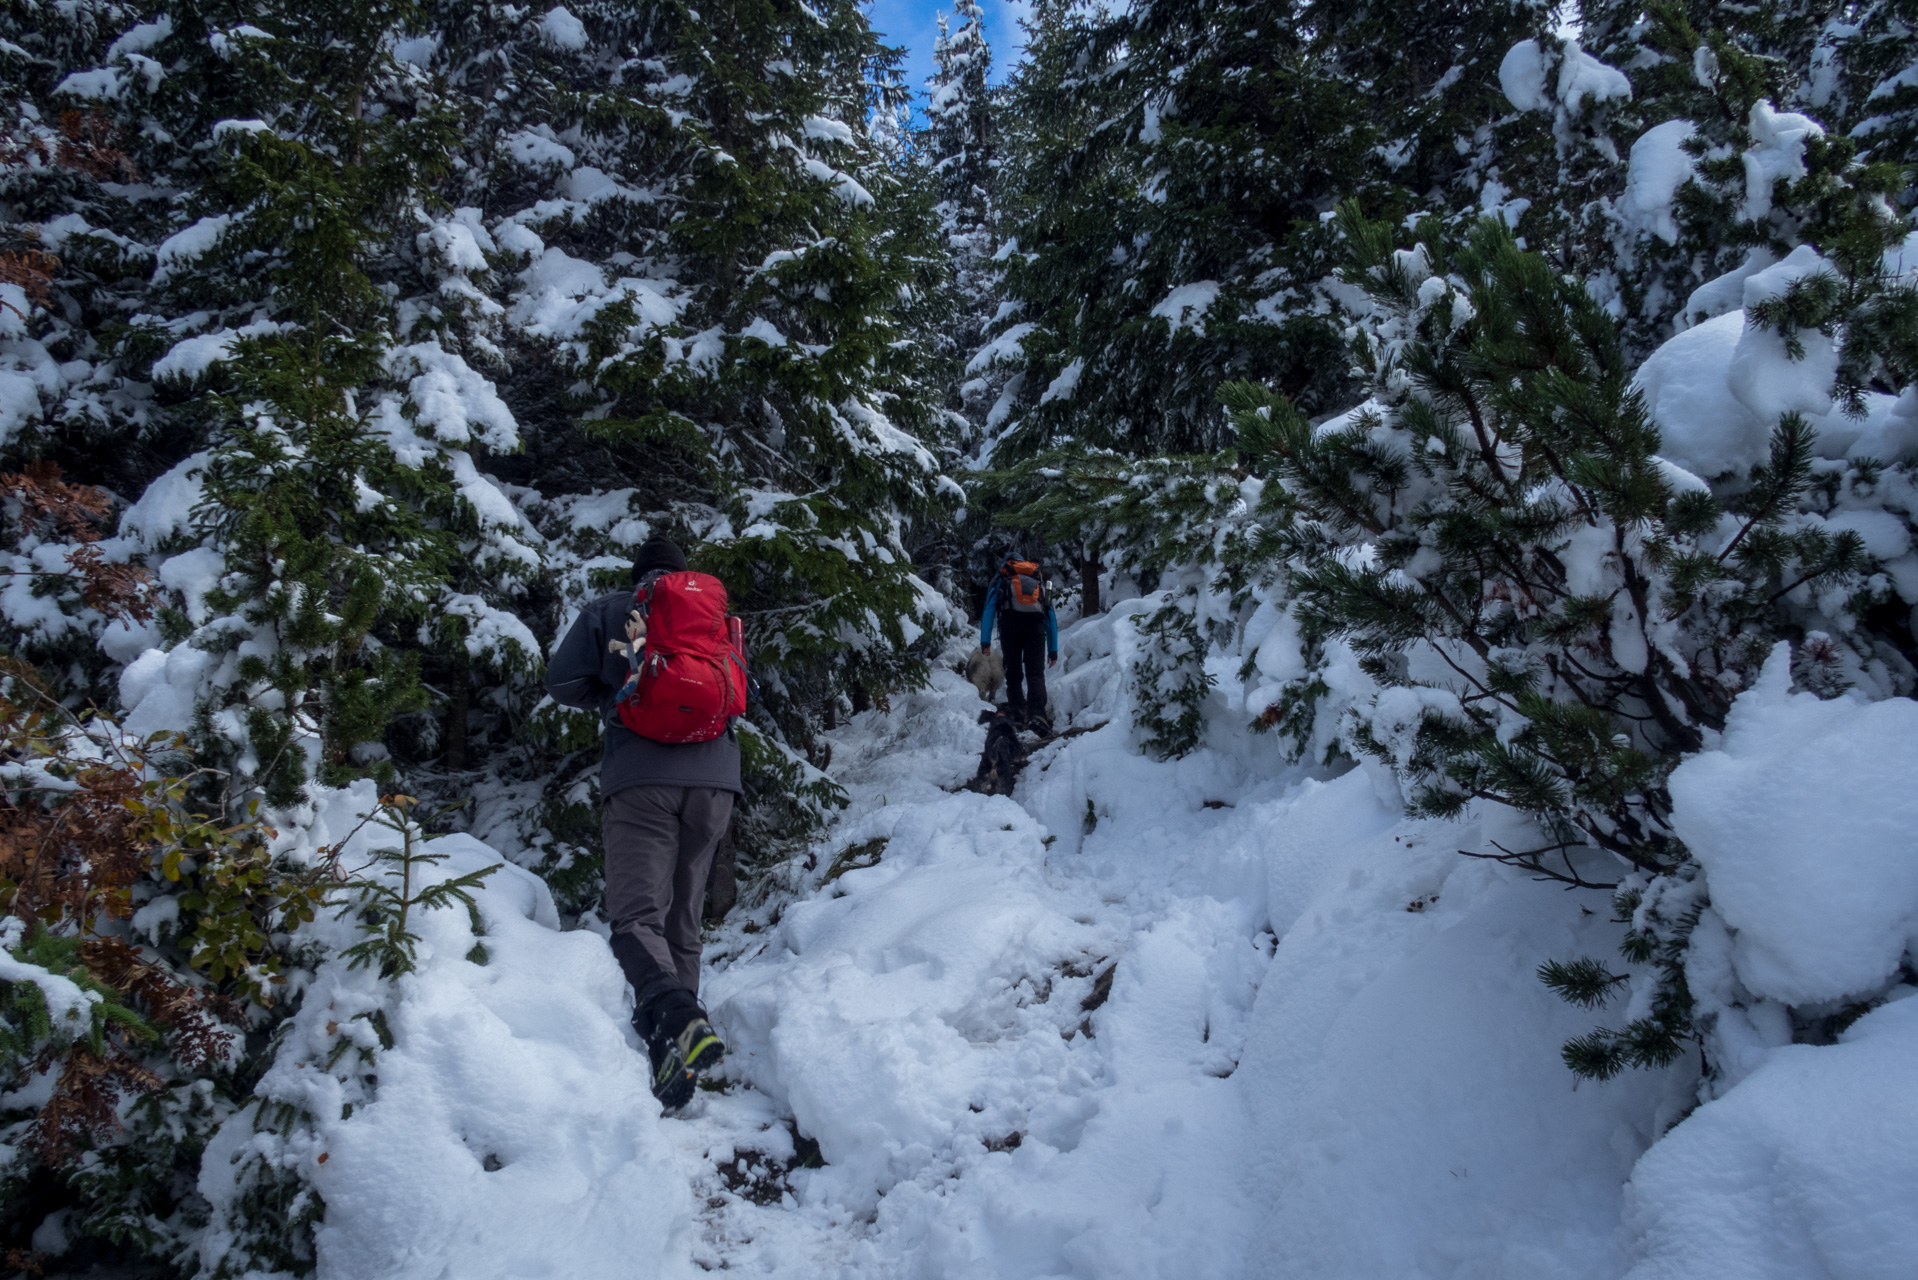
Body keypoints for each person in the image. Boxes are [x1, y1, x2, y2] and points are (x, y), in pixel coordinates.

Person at [544, 535, 738, 1111]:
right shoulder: (715, 620)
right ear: (684, 577)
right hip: (715, 782)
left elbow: (560, 682)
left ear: (640, 575)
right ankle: (675, 1060)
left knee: (635, 919)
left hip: (640, 780)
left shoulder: (611, 610)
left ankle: (678, 1017)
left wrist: (617, 700)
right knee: (683, 918)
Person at [979, 554, 1059, 730]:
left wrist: (985, 642)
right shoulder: (1036, 580)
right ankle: (1037, 715)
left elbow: (989, 609)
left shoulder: (1002, 578)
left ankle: (1016, 715)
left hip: (1009, 627)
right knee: (1036, 673)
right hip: (1036, 629)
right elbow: (1049, 615)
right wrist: (1053, 650)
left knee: (1014, 674)